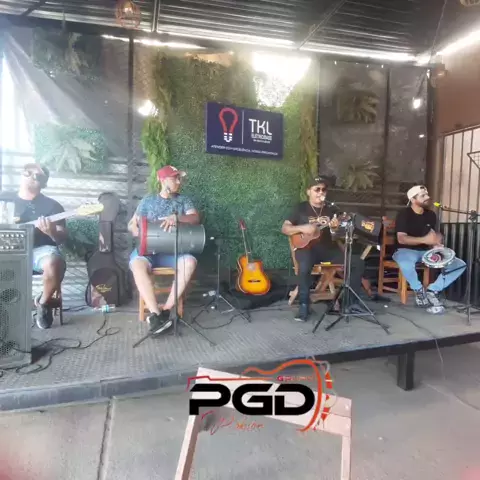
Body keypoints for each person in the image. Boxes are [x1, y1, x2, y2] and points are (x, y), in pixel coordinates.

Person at [281, 176, 365, 322]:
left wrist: (335, 228)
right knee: (304, 266)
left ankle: (350, 303)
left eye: (323, 190)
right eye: (317, 189)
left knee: (357, 262)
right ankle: (304, 305)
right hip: (306, 248)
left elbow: (338, 234)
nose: (321, 192)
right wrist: (303, 228)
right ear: (309, 191)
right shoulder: (300, 208)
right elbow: (285, 228)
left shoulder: (332, 210)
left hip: (328, 249)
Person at [128, 165, 200, 335]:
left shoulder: (183, 200)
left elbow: (195, 218)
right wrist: (134, 229)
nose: (179, 182)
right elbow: (132, 223)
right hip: (149, 251)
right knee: (137, 265)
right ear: (163, 180)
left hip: (174, 251)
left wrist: (177, 217)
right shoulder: (148, 201)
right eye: (175, 178)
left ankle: (166, 311)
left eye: (179, 178)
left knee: (190, 262)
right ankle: (155, 315)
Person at [393, 185, 466, 314]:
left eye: (427, 194)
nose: (427, 197)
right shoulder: (404, 214)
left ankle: (433, 290)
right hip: (405, 250)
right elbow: (401, 239)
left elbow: (433, 235)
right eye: (423, 196)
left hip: (426, 252)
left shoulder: (431, 215)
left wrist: (436, 243)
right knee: (405, 262)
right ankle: (419, 290)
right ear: (413, 199)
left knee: (459, 264)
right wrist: (424, 240)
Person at [13, 163, 67, 329]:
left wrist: (51, 232)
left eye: (37, 176)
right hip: (8, 250)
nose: (30, 176)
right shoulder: (5, 199)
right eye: (27, 172)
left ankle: (43, 303)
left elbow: (61, 238)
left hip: (40, 251)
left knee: (53, 262)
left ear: (44, 183)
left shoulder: (52, 206)